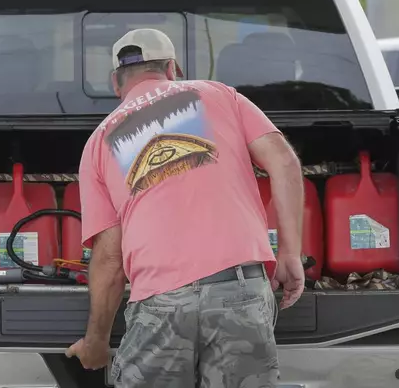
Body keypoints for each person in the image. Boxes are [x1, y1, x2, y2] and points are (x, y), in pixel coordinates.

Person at [66, 28, 305, 388]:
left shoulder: (100, 141)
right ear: (173, 68)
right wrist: (289, 253)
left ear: (116, 82)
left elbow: (110, 259)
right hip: (238, 290)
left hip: (161, 301)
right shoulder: (219, 95)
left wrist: (96, 341)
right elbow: (284, 162)